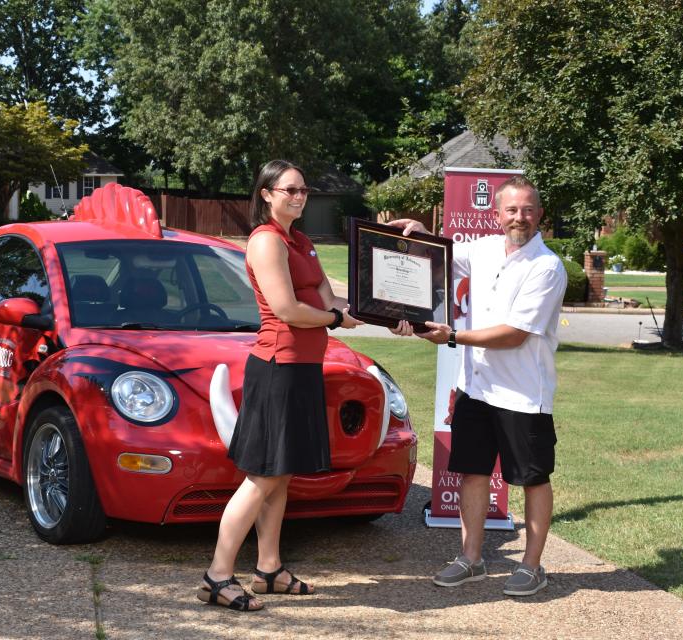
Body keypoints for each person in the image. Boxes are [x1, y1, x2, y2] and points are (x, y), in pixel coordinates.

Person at [198, 159, 362, 612]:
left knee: (281, 474)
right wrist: (333, 319)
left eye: (303, 190)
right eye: (289, 190)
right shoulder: (267, 241)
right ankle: (216, 576)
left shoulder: (302, 242)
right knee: (261, 476)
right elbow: (288, 310)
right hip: (277, 368)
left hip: (304, 367)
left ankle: (268, 568)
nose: (299, 196)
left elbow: (334, 301)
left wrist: (384, 309)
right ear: (267, 194)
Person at [389, 176, 566, 597]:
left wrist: (451, 336)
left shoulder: (547, 266)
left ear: (539, 214)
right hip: (477, 388)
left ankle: (532, 565)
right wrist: (416, 235)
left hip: (523, 395)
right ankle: (471, 559)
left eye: (527, 210)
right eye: (511, 210)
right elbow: (439, 255)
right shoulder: (484, 249)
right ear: (497, 213)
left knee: (533, 478)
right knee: (473, 472)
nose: (519, 217)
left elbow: (514, 334)